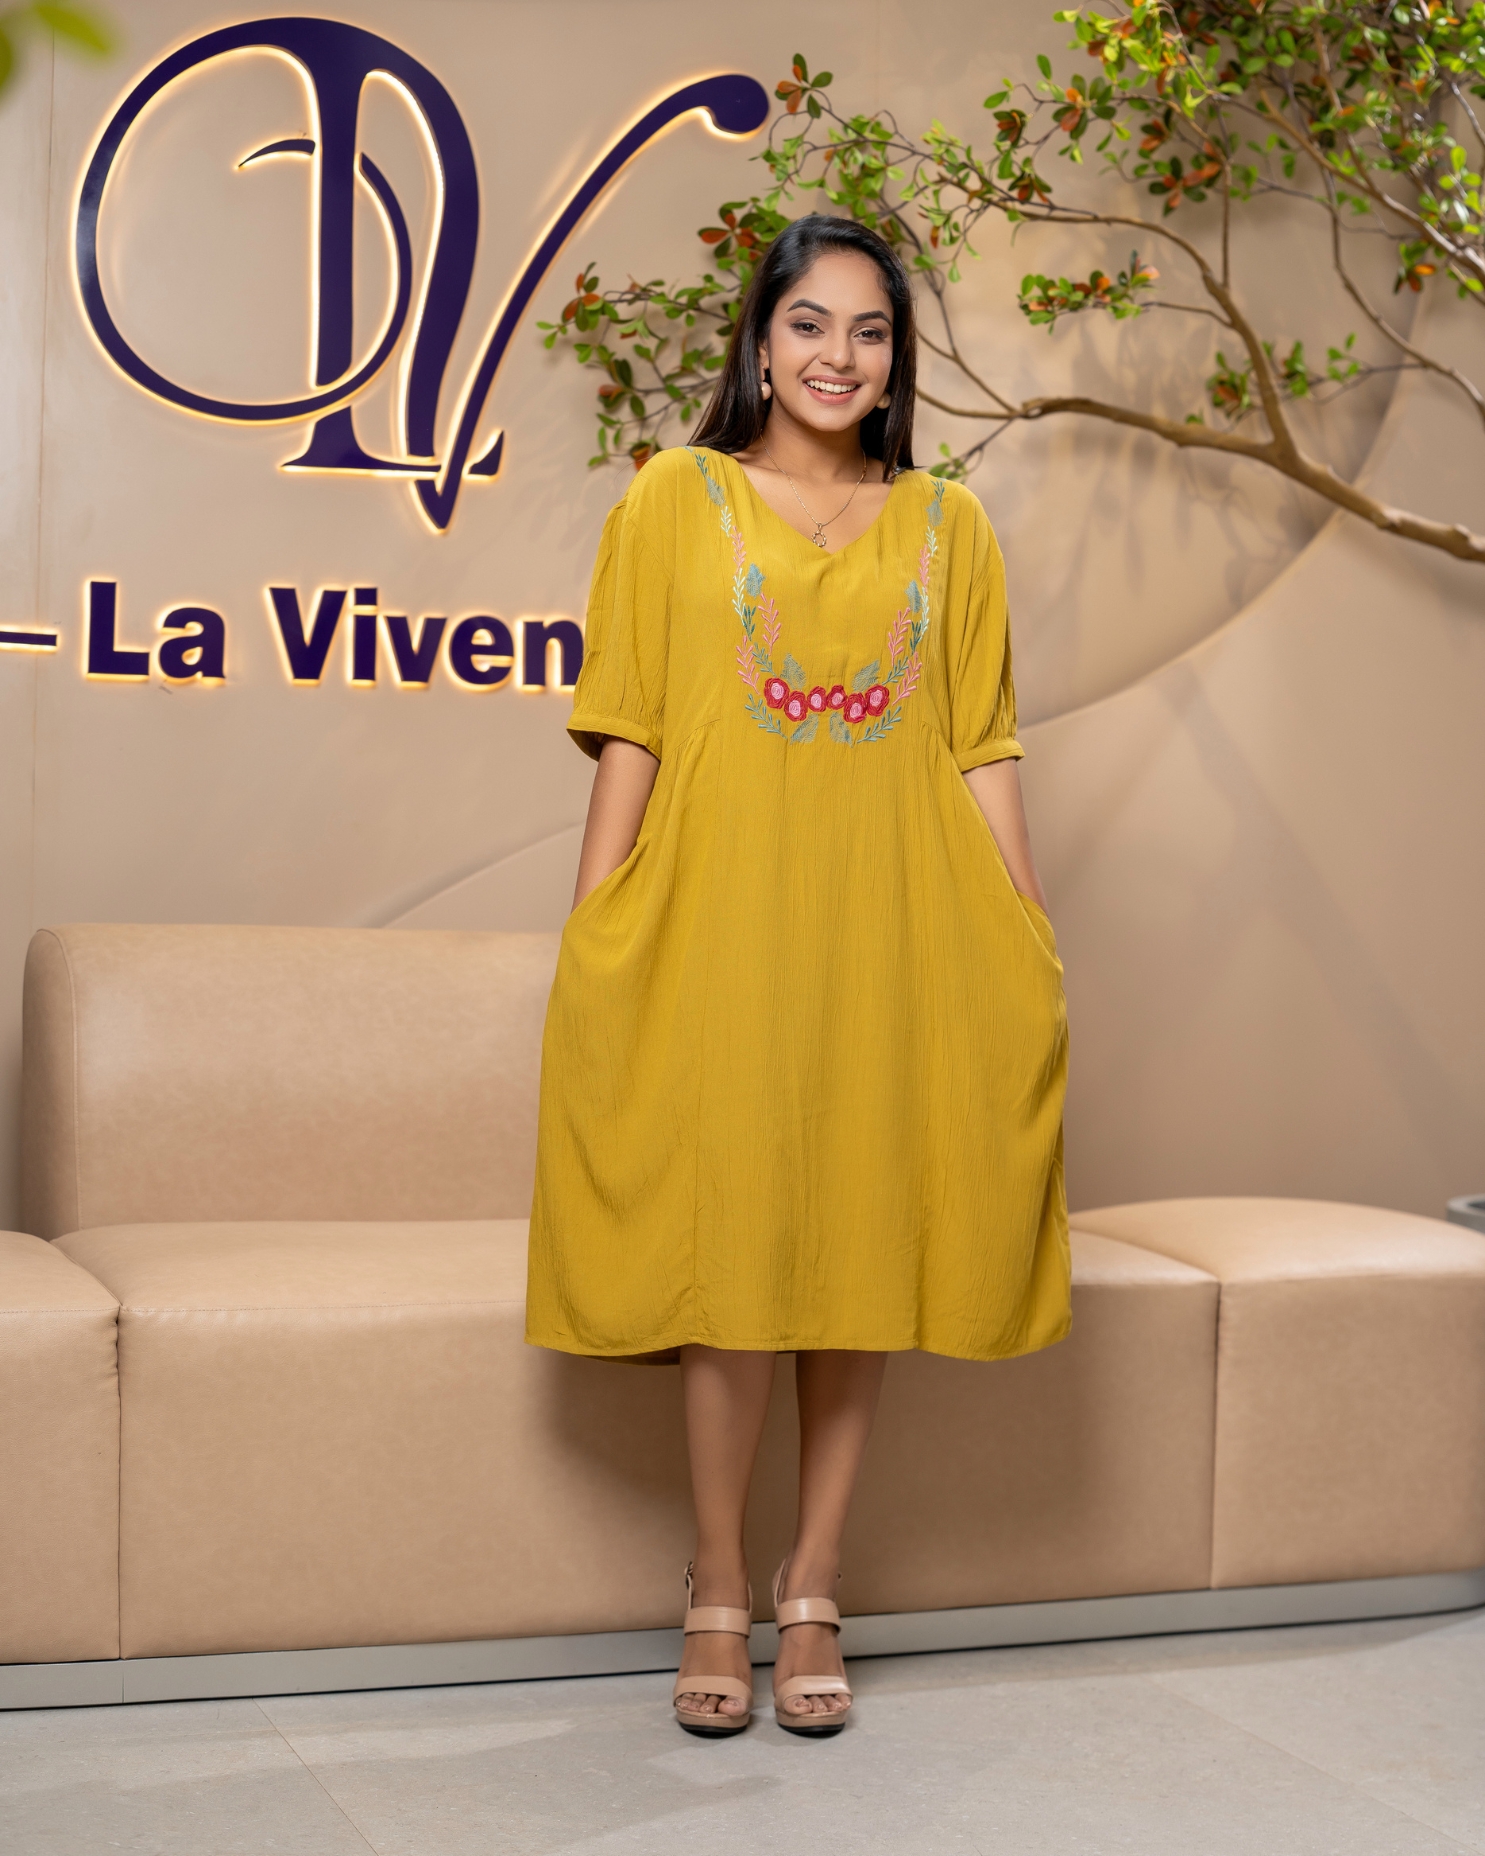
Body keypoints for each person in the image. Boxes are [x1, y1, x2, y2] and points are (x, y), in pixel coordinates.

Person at [526, 214, 1069, 1737]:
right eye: (811, 324)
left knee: (859, 1255)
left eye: (871, 331)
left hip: (901, 923)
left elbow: (979, 745)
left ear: (898, 360)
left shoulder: (952, 526)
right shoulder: (673, 497)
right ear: (761, 341)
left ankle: (815, 1579)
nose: (840, 356)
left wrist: (1026, 931)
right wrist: (598, 922)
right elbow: (632, 723)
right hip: (726, 917)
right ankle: (717, 1577)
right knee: (736, 1262)